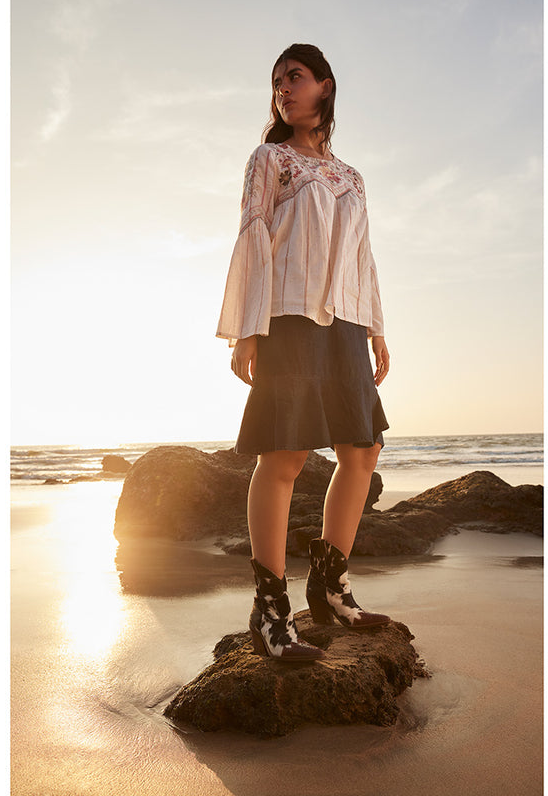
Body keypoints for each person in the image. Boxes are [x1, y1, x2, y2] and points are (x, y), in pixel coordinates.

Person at [217, 43, 392, 661]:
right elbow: (252, 237)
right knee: (285, 455)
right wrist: (247, 328)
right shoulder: (271, 159)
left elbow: (362, 258)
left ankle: (330, 585)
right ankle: (270, 608)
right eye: (276, 83)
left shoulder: (351, 177)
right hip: (288, 318)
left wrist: (374, 327)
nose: (283, 89)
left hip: (345, 322)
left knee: (362, 449)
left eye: (294, 77)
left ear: (325, 85)